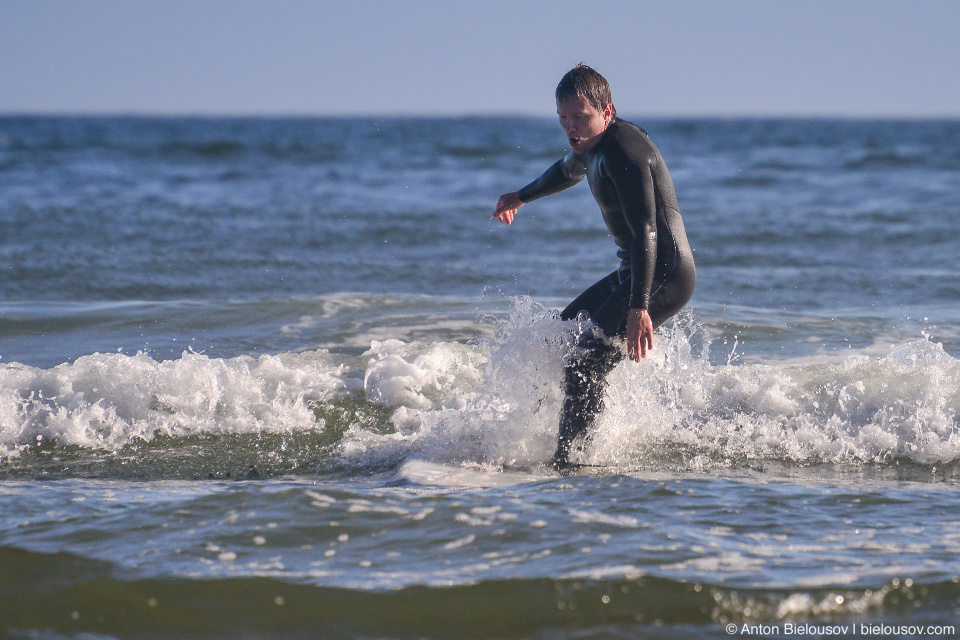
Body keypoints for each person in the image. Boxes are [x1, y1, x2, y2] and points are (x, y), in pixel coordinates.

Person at [493, 64, 696, 469]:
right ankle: (535, 444)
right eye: (563, 119)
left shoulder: (625, 152)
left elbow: (646, 231)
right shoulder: (591, 148)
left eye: (580, 118)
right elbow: (566, 170)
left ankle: (572, 461)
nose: (571, 128)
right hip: (635, 272)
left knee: (586, 360)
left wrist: (639, 307)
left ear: (608, 111)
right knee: (562, 337)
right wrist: (521, 196)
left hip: (665, 274)